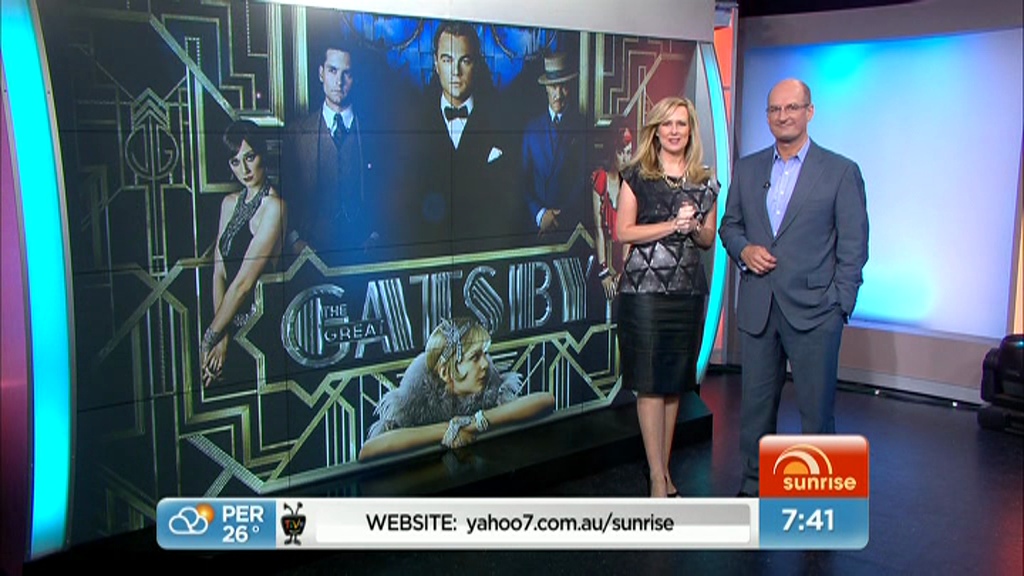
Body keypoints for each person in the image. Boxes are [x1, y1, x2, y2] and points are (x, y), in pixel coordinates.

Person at [718, 79, 868, 497]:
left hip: (817, 312)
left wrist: (840, 304)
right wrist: (744, 250)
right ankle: (754, 490)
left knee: (816, 416)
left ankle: (817, 501)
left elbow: (854, 245)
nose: (783, 116)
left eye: (792, 108)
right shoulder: (748, 169)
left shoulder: (840, 171)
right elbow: (729, 226)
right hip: (759, 308)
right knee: (755, 411)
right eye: (775, 109)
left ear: (809, 112)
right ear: (767, 116)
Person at [615, 97, 719, 497]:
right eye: (667, 124)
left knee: (673, 384)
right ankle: (657, 477)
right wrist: (670, 226)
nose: (675, 131)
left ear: (691, 131)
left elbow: (707, 240)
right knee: (650, 384)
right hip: (643, 293)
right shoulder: (636, 176)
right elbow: (623, 231)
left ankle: (664, 468)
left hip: (687, 292)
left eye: (682, 124)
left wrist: (693, 228)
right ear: (655, 130)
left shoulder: (705, 181)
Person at [357, 318, 555, 461]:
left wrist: (473, 423)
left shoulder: (491, 390)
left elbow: (546, 400)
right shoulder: (411, 406)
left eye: (485, 354)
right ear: (445, 372)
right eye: (475, 357)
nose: (485, 364)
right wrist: (448, 429)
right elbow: (368, 450)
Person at [410, 21, 525, 249]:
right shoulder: (414, 124)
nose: (456, 72)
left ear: (477, 64)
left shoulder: (503, 122)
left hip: (486, 253)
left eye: (465, 61)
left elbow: (511, 206)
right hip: (431, 254)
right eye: (447, 60)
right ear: (435, 63)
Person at [201, 120, 286, 387]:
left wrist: (209, 338)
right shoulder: (228, 204)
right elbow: (219, 273)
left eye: (250, 157)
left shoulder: (274, 207)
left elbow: (243, 284)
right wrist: (221, 335)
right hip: (224, 325)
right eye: (235, 162)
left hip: (258, 330)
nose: (244, 169)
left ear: (262, 154)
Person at [283, 44, 377, 258]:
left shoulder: (375, 131)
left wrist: (376, 237)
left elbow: (386, 192)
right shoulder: (296, 133)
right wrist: (294, 241)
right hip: (311, 254)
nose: (339, 81)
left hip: (362, 253)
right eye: (332, 71)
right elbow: (287, 192)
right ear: (321, 73)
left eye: (347, 74)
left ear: (355, 78)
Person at [521, 52, 586, 241]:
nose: (558, 94)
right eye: (553, 86)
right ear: (546, 89)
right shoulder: (531, 129)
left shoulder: (581, 126)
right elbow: (523, 180)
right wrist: (541, 215)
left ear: (570, 87)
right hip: (537, 227)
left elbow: (583, 179)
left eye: (563, 86)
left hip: (570, 227)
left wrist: (560, 216)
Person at [592, 122, 634, 300]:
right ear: (612, 151)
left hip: (629, 258)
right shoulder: (600, 179)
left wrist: (624, 270)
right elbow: (598, 229)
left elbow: (630, 232)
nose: (625, 158)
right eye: (621, 152)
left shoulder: (632, 181)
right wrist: (604, 271)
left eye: (629, 152)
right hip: (605, 257)